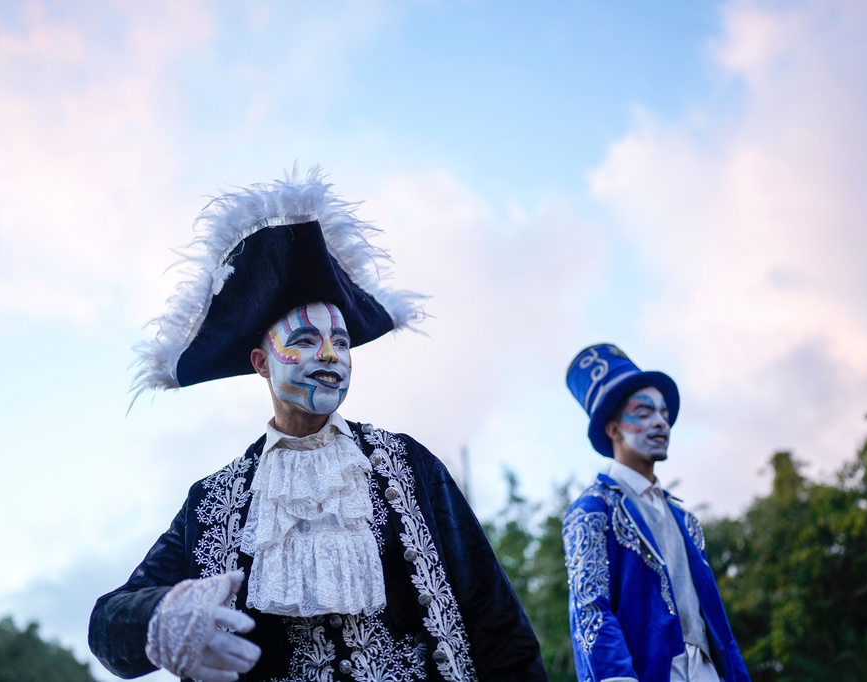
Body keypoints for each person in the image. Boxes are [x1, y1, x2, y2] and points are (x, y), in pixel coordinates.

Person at [88, 168, 546, 682]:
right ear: (262, 363)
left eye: (342, 342)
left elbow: (497, 622)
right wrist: (161, 617)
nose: (330, 354)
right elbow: (107, 626)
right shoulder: (214, 501)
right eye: (304, 340)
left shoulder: (408, 465)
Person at [562, 344, 749, 682]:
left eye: (663, 413)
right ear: (614, 428)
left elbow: (715, 620)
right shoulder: (592, 511)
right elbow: (591, 610)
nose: (661, 422)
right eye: (643, 412)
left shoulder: (683, 518)